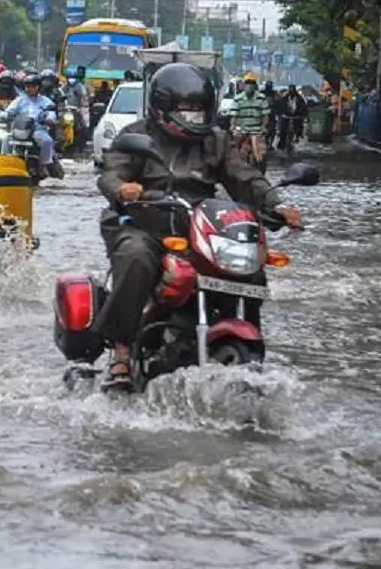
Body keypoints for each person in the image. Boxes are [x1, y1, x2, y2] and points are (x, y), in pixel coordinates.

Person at [92, 62, 303, 389]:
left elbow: (244, 178)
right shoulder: (135, 136)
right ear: (161, 109)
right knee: (136, 257)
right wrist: (123, 188)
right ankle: (121, 348)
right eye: (187, 114)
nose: (196, 121)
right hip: (142, 220)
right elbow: (111, 172)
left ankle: (243, 333)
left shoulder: (215, 141)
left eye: (201, 113)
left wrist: (277, 204)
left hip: (196, 225)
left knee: (249, 264)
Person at [1, 72, 58, 176]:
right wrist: (4, 115)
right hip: (20, 130)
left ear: (38, 87)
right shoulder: (19, 100)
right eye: (27, 86)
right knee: (5, 138)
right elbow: (9, 111)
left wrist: (49, 119)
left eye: (32, 86)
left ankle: (43, 165)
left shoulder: (46, 101)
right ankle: (5, 163)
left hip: (37, 130)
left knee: (47, 141)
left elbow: (51, 113)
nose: (29, 89)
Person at [230, 72, 270, 168]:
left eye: (252, 83)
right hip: (242, 130)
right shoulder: (237, 99)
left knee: (262, 154)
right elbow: (234, 116)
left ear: (255, 85)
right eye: (247, 83)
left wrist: (264, 127)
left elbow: (265, 116)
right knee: (233, 150)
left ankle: (260, 169)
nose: (249, 86)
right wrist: (233, 126)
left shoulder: (261, 98)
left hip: (257, 130)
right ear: (244, 85)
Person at [278, 83, 308, 148]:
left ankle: (298, 135)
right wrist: (281, 113)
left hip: (296, 117)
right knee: (282, 130)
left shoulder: (299, 98)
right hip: (286, 116)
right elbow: (281, 106)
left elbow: (303, 107)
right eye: (290, 90)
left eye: (293, 90)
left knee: (299, 127)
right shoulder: (285, 98)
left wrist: (302, 114)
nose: (291, 92)